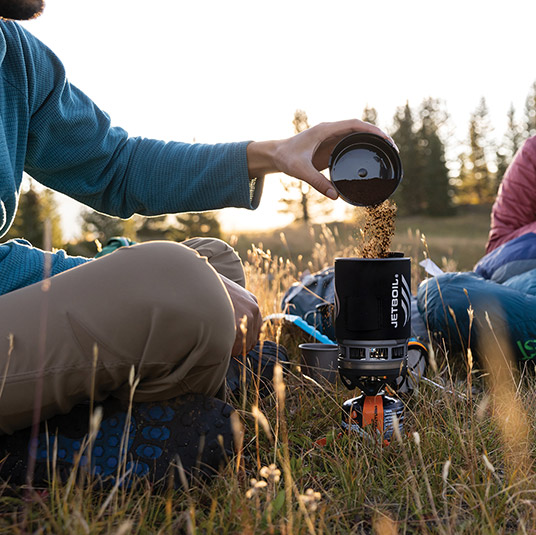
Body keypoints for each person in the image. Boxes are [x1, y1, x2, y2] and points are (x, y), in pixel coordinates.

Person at [0, 1, 394, 487]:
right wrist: (132, 272)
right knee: (185, 284)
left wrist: (274, 154)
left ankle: (101, 415)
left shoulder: (13, 54)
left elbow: (116, 166)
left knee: (213, 260)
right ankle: (46, 445)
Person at [417, 135, 536, 365]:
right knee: (445, 295)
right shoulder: (534, 152)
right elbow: (500, 242)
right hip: (519, 267)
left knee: (444, 296)